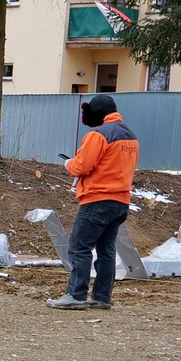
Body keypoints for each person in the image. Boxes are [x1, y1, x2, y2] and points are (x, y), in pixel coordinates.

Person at [47, 93, 139, 311]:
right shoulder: (130, 135)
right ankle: (101, 296)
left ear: (98, 112)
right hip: (121, 201)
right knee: (106, 251)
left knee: (79, 247)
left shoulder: (98, 134)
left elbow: (82, 166)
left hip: (98, 200)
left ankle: (76, 295)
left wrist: (69, 164)